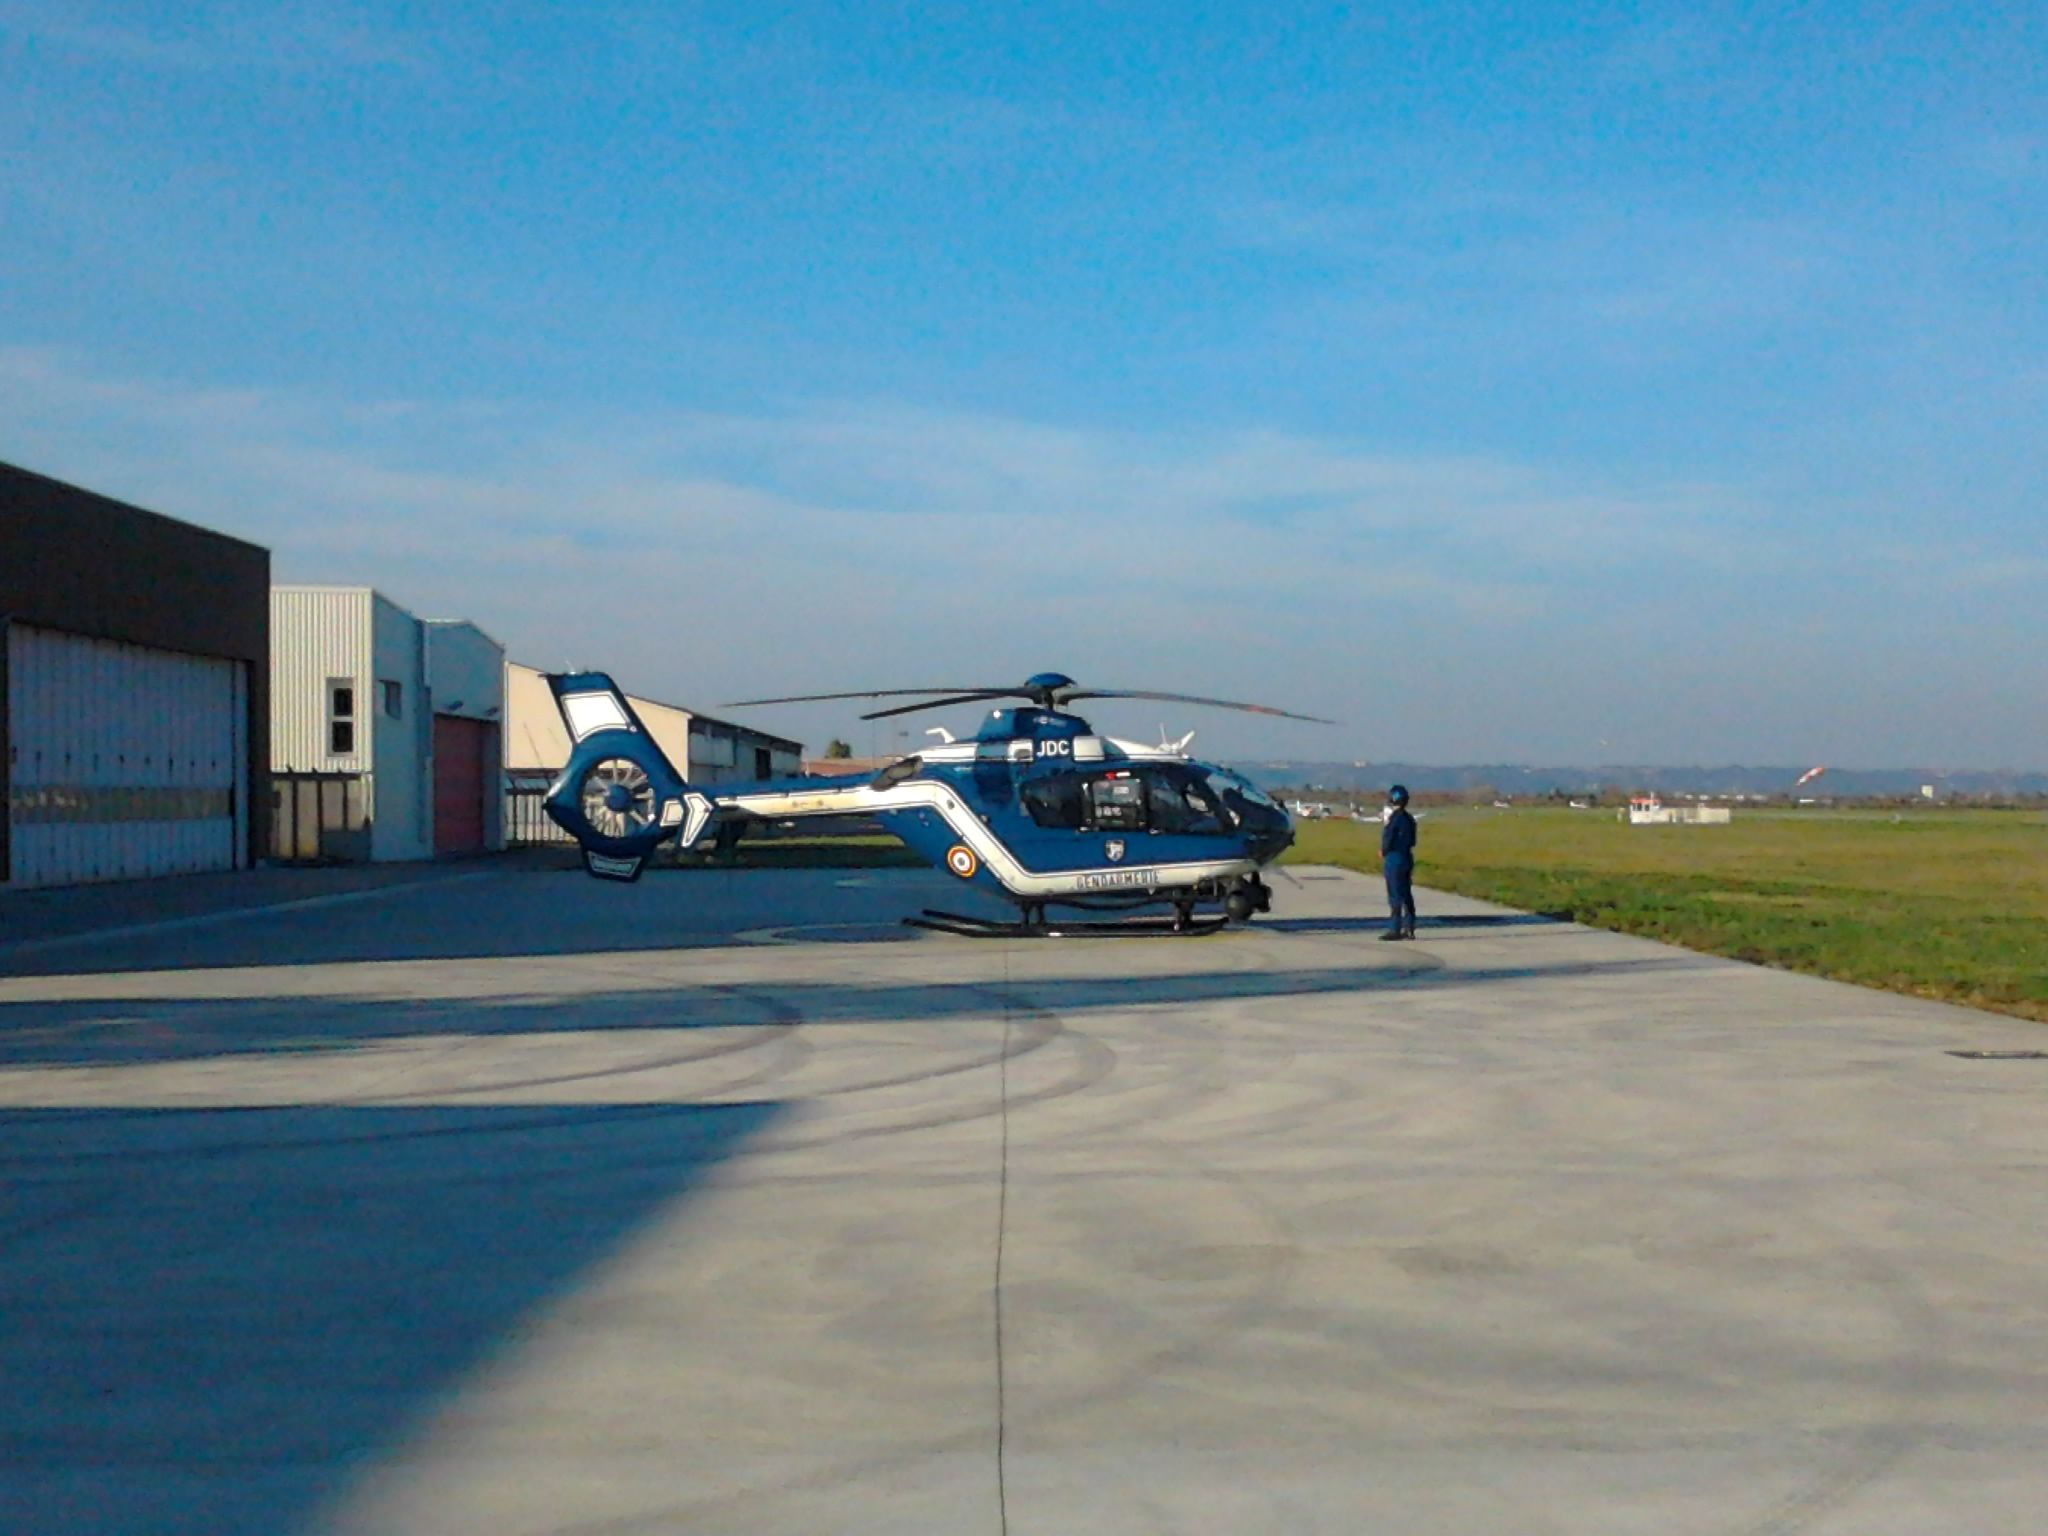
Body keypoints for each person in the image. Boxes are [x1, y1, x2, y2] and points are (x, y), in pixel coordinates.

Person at [1379, 784, 1418, 940]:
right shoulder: (1410, 819)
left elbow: (1388, 839)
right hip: (1407, 856)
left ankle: (1395, 928)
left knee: (1395, 894)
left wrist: (1383, 850)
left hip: (1394, 858)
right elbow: (1413, 841)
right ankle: (1410, 926)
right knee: (1406, 892)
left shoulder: (1394, 819)